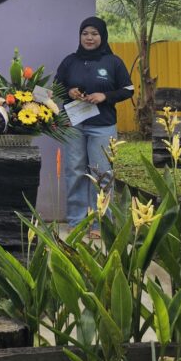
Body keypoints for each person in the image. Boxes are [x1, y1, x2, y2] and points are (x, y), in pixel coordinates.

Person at [55, 16, 134, 227]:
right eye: (85, 34)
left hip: (103, 126)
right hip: (74, 125)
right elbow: (56, 87)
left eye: (94, 34)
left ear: (102, 36)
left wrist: (105, 96)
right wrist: (68, 92)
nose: (89, 38)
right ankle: (76, 222)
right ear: (80, 36)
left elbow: (128, 89)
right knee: (74, 171)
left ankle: (101, 224)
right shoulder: (70, 61)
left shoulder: (113, 61)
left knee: (102, 174)